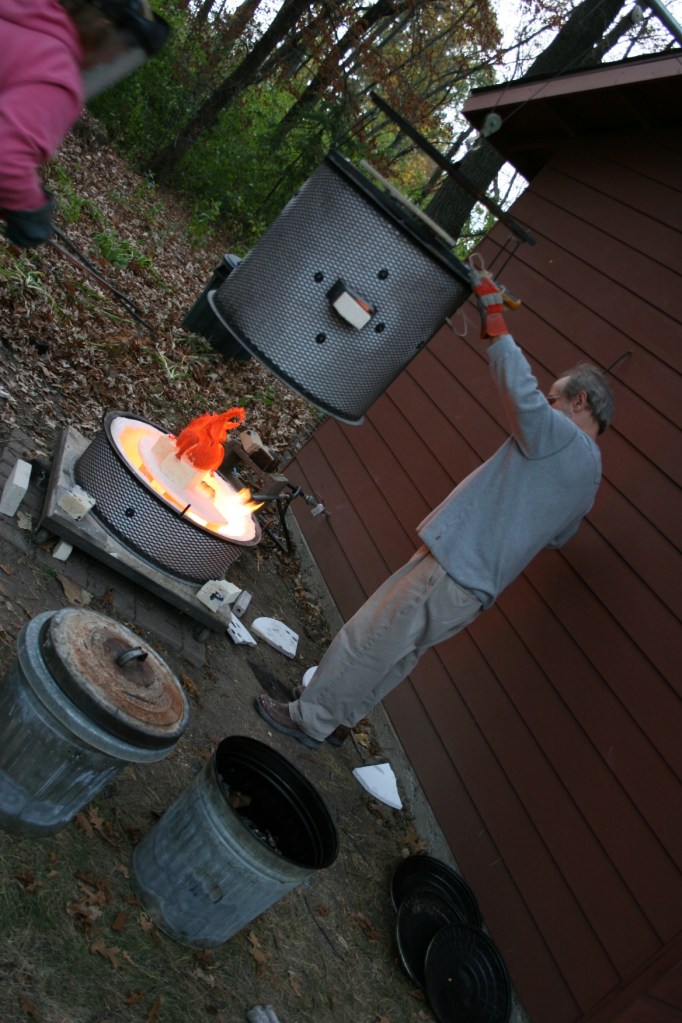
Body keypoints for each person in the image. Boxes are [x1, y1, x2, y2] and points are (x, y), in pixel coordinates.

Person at [255, 272, 614, 749]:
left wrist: (495, 319)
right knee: (396, 654)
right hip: (473, 593)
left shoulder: (563, 436)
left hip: (451, 568)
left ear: (579, 402)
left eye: (555, 399)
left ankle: (308, 717)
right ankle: (339, 719)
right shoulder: (590, 481)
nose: (547, 406)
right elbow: (557, 537)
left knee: (369, 638)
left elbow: (522, 395)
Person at [0, 0, 168, 248]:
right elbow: (6, 158)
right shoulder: (57, 71)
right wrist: (30, 208)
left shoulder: (24, 16)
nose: (111, 60)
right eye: (121, 48)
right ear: (101, 28)